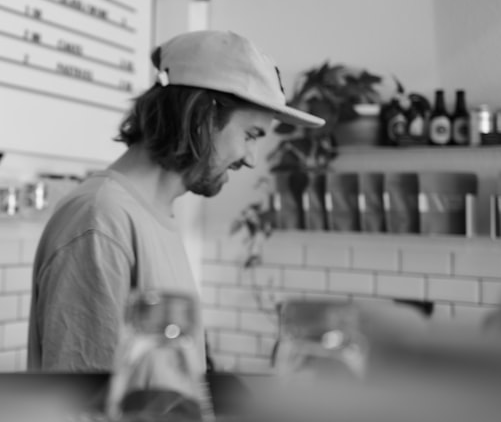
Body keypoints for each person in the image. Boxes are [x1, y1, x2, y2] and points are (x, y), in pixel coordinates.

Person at [27, 30, 324, 372]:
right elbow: (85, 406)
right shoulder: (101, 221)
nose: (251, 158)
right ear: (202, 118)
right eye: (250, 135)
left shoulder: (151, 214)